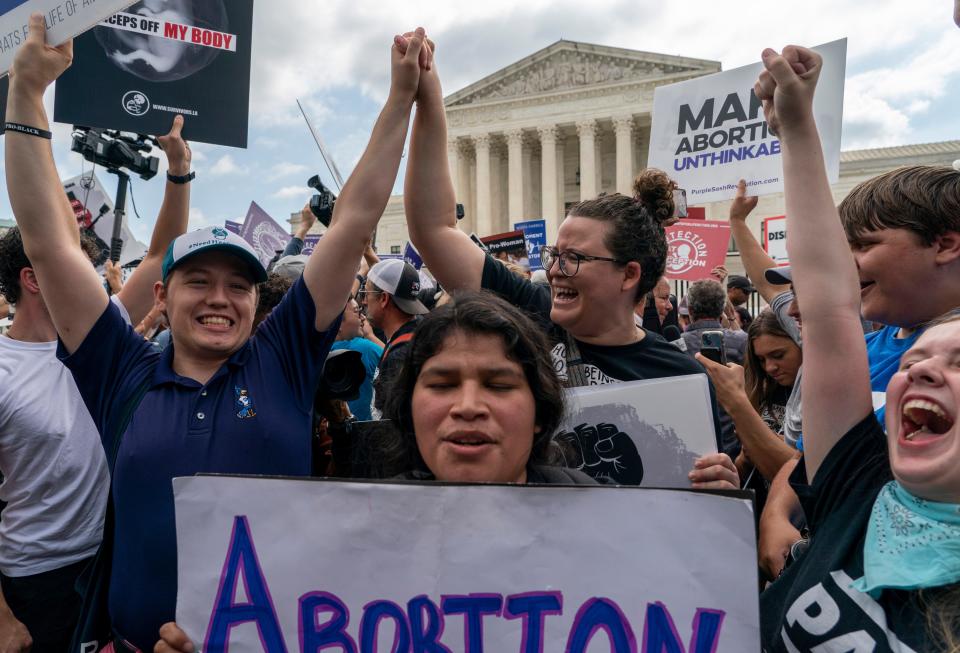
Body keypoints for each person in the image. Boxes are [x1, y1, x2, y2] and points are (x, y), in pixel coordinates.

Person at [4, 16, 430, 652]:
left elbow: (354, 220)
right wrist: (27, 95)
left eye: (239, 285)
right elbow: (46, 242)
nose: (220, 299)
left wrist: (399, 100)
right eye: (197, 280)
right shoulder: (120, 369)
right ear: (160, 296)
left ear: (258, 301)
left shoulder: (282, 358)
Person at [155, 288, 743, 653]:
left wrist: (707, 536)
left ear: (540, 413)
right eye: (441, 384)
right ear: (408, 410)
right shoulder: (341, 543)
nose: (467, 405)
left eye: (497, 384)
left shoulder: (618, 530)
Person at [400, 35, 733, 486]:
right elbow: (433, 229)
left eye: (574, 258)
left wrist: (719, 488)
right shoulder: (531, 314)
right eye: (555, 254)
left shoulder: (682, 377)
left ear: (628, 275)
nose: (555, 270)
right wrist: (428, 100)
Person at [755, 43, 960, 651]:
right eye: (915, 361)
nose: (921, 372)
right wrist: (795, 128)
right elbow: (827, 307)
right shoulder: (859, 488)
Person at [0, 111, 191, 653]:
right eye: (79, 267)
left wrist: (178, 173)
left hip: (110, 557)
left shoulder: (98, 336)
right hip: (35, 581)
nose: (94, 278)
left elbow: (158, 258)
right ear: (36, 279)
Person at [361, 258, 429, 416]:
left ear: (384, 299)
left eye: (366, 293)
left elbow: (394, 427)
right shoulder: (418, 333)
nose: (364, 301)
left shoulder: (401, 354)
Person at [331, 297, 383, 422]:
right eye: (356, 311)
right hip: (368, 432)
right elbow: (397, 359)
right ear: (338, 322)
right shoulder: (364, 348)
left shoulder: (316, 352)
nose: (363, 317)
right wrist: (371, 336)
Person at [681, 279, 748, 365]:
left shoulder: (677, 345)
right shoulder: (742, 340)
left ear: (690, 311)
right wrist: (731, 317)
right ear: (721, 311)